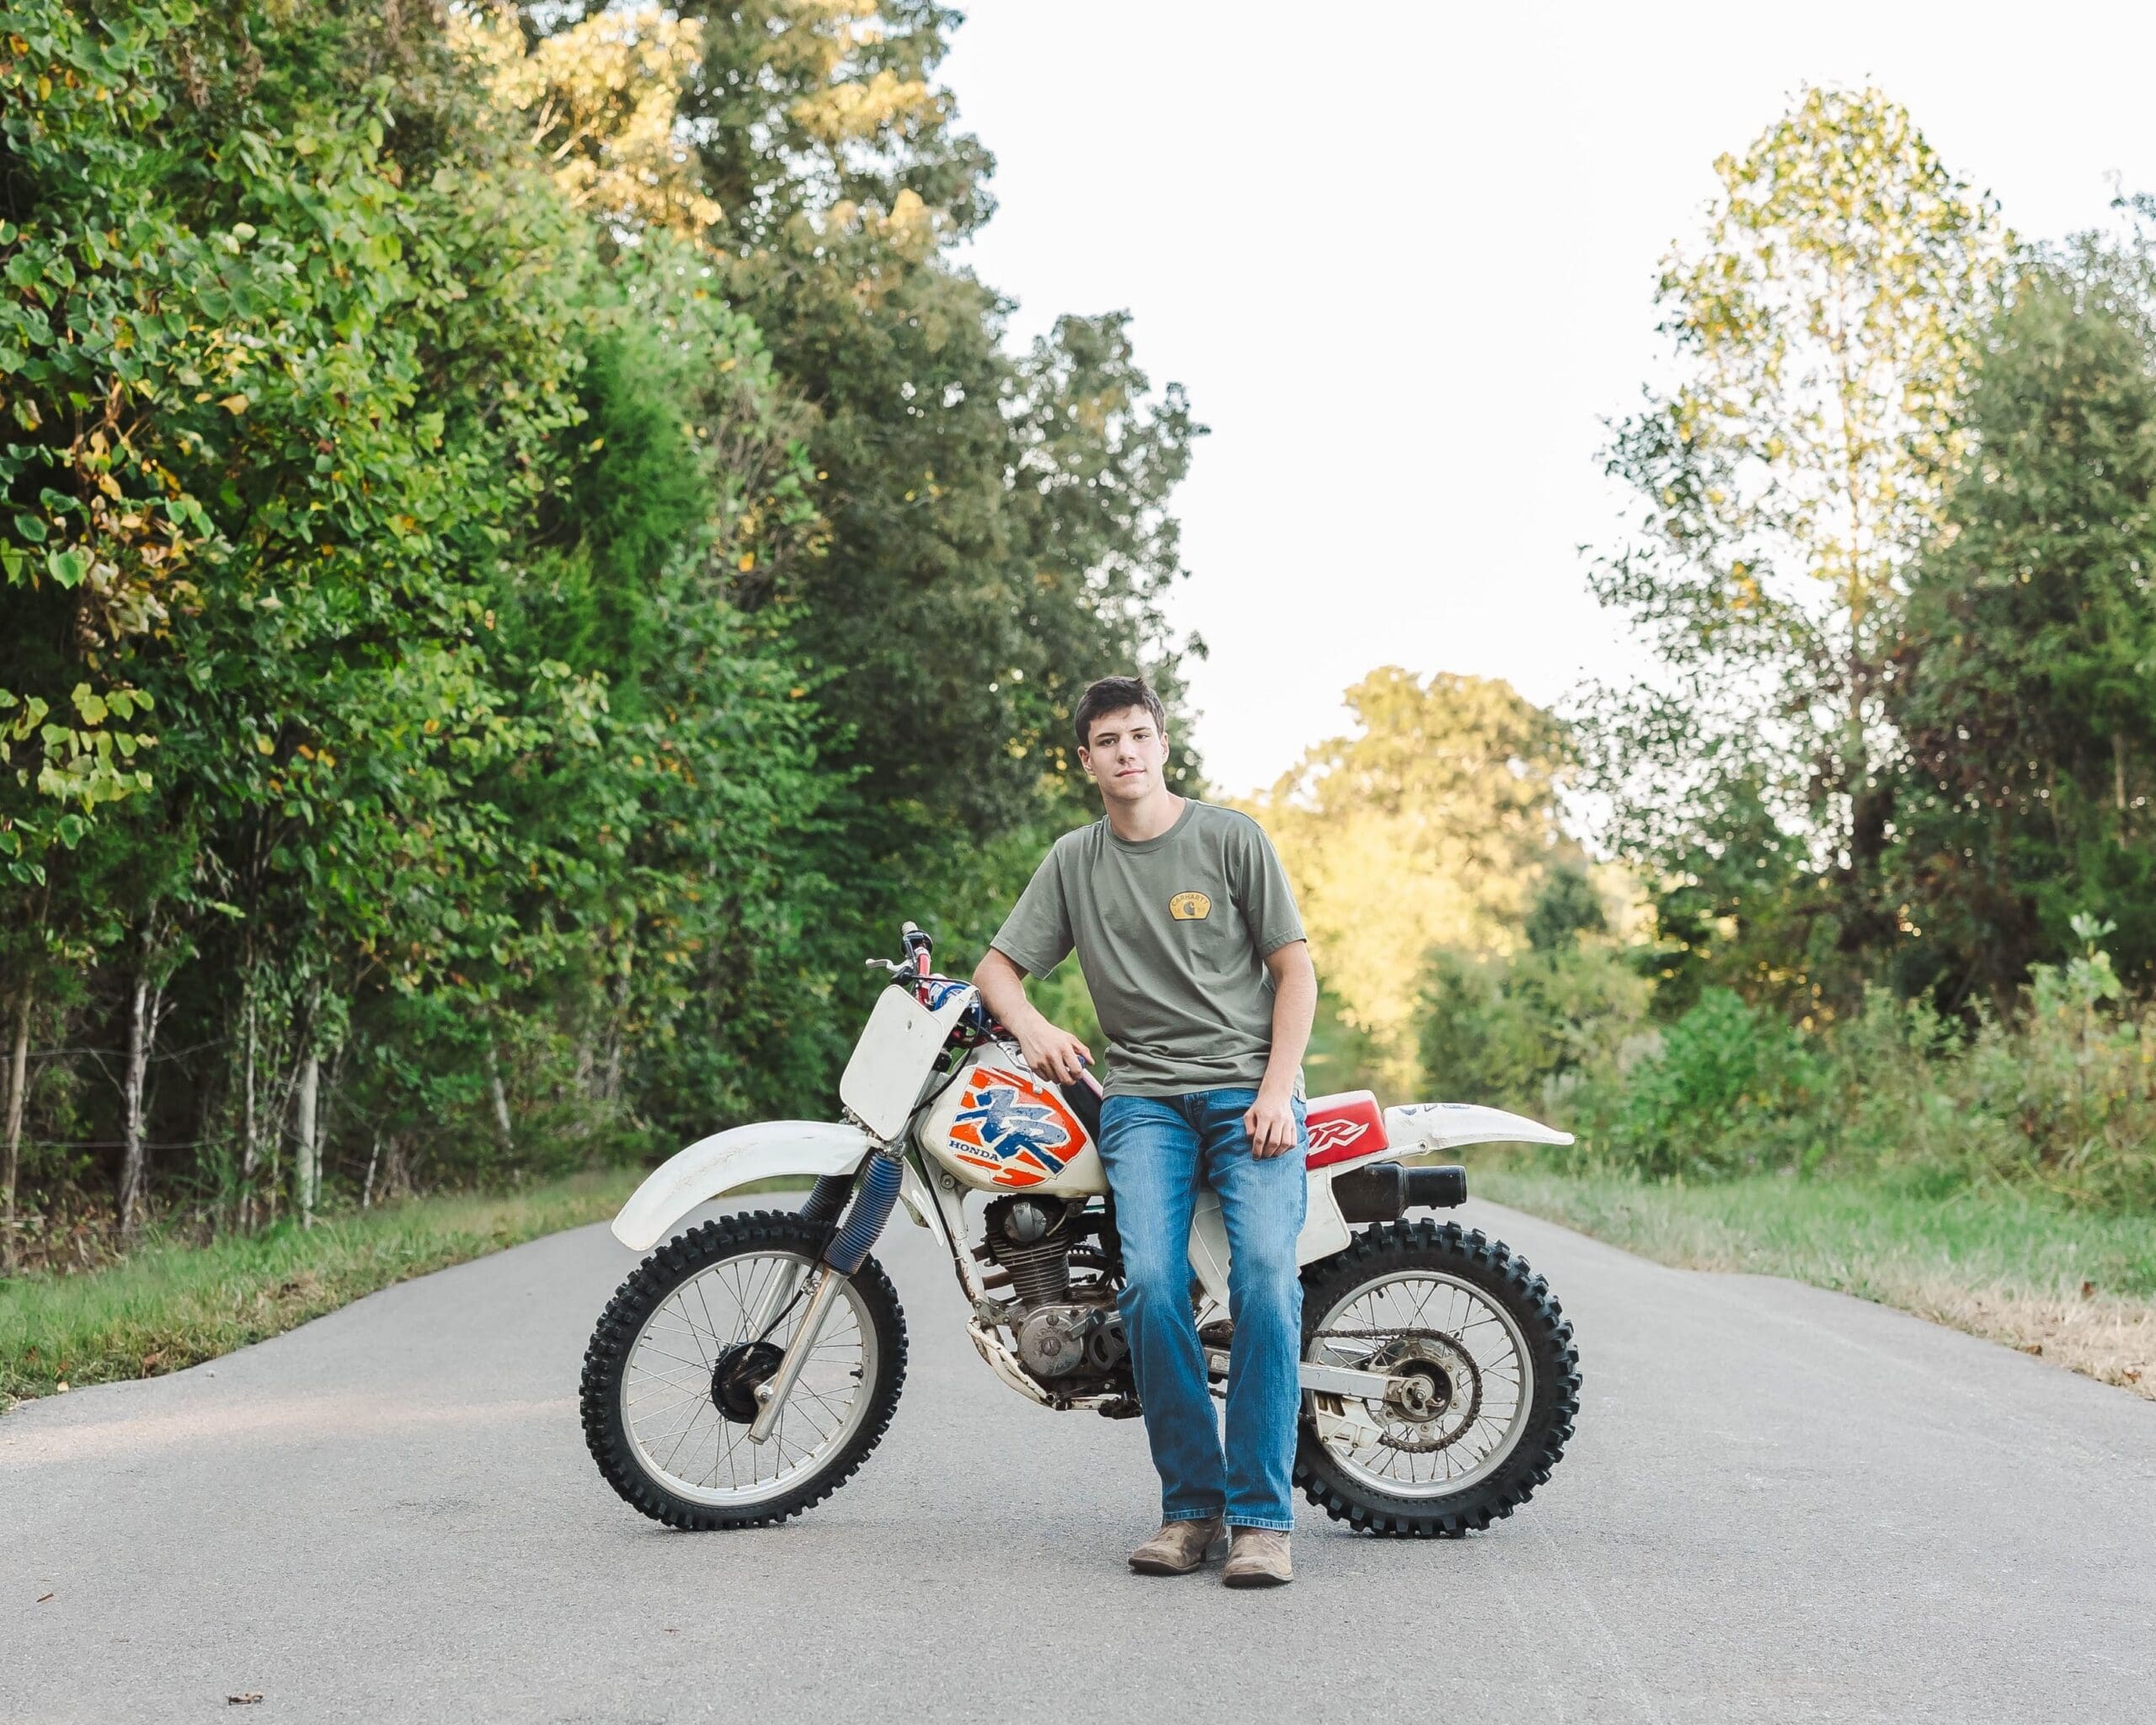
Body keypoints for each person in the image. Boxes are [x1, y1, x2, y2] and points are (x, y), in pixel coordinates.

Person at [972, 675, 1318, 1589]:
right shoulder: (1073, 859)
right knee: (1153, 1286)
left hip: (1249, 1092)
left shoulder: (1229, 837)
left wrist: (1278, 1088)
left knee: (1264, 1280)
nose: (1125, 751)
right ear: (1083, 759)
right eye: (1106, 740)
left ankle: (1259, 1519)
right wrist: (1037, 1029)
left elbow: (1295, 972)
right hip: (1143, 1101)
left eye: (1138, 734)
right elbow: (996, 969)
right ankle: (1190, 1508)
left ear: (1163, 744)